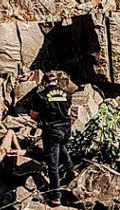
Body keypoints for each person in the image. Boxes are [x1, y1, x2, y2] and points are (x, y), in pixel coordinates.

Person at [30, 72, 77, 207]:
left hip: (52, 131)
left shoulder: (41, 96)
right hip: (66, 130)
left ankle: (56, 197)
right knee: (61, 146)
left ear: (44, 82)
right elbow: (68, 113)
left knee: (53, 166)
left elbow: (33, 116)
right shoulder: (67, 94)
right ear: (56, 82)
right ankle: (71, 170)